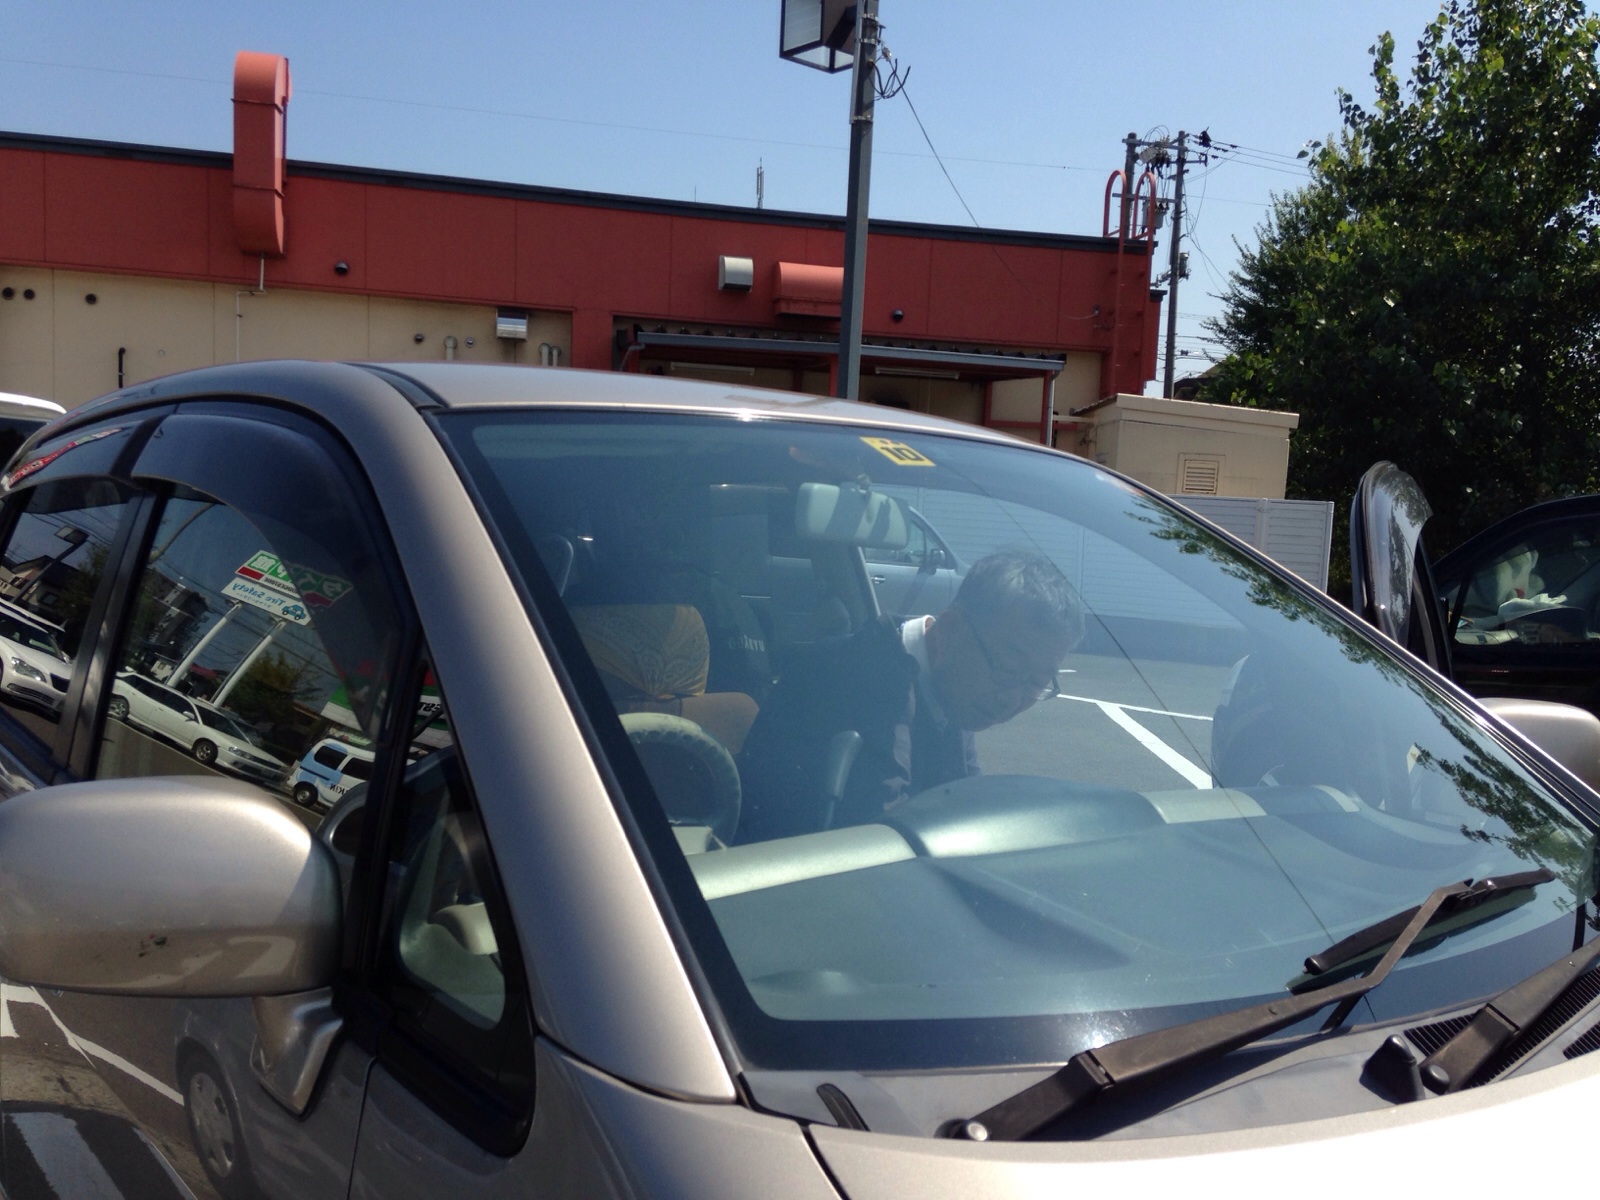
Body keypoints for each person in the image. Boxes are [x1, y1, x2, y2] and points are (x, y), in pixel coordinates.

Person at [735, 548, 1083, 841]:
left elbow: (964, 804)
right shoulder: (858, 682)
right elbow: (885, 839)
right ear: (951, 630)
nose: (1012, 699)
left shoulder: (951, 687)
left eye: (1037, 682)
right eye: (1007, 669)